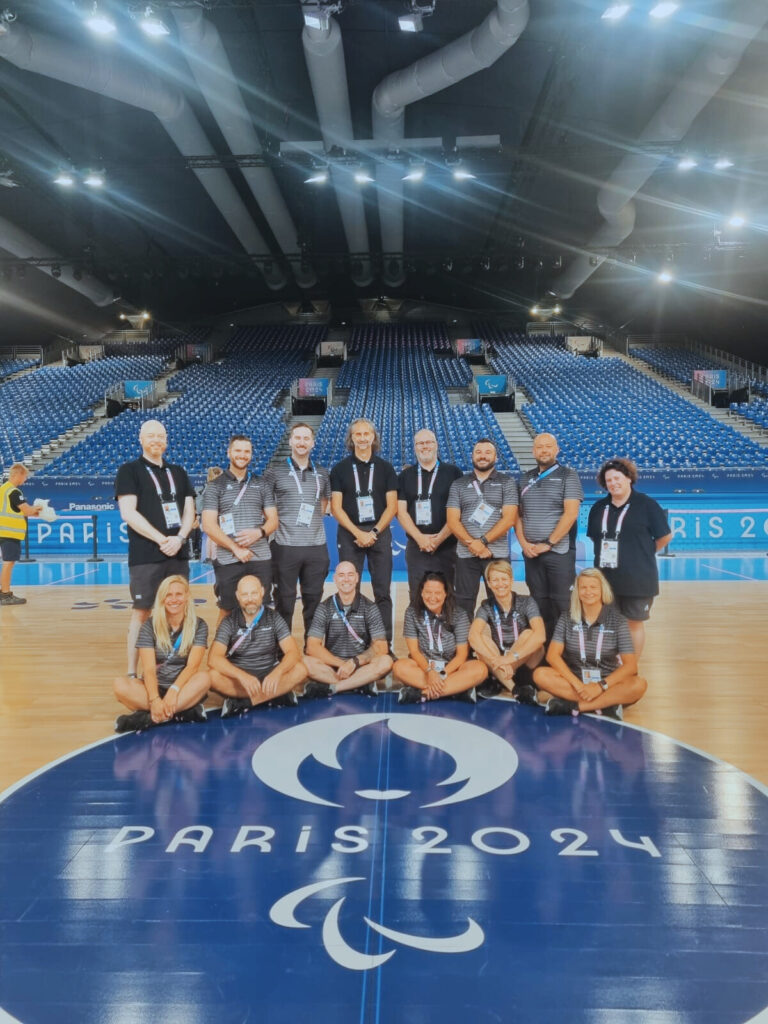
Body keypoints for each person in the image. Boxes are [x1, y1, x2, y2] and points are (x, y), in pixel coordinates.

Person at [115, 420, 196, 675]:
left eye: (161, 436)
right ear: (140, 439)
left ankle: (176, 667)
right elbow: (128, 513)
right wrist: (162, 539)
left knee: (179, 611)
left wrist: (180, 538)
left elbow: (189, 510)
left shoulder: (179, 472)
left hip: (178, 553)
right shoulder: (129, 471)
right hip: (146, 555)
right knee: (141, 612)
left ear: (166, 440)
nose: (156, 440)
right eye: (150, 436)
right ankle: (131, 671)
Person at [533, 568, 647, 718]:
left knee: (639, 685)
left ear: (602, 590)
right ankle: (605, 707)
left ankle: (575, 706)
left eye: (593, 587)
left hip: (607, 683)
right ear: (577, 592)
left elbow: (630, 666)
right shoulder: (567, 618)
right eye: (583, 587)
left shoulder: (618, 620)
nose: (588, 592)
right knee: (540, 675)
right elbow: (552, 656)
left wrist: (600, 686)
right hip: (576, 681)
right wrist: (578, 684)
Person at [587, 458, 671, 659]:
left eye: (617, 478)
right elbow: (593, 537)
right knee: (607, 624)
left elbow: (664, 536)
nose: (613, 483)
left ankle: (630, 666)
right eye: (608, 480)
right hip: (606, 579)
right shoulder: (598, 507)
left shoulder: (647, 505)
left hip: (639, 578)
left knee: (634, 623)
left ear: (628, 478)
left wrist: (643, 553)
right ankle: (610, 665)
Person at [113, 575, 211, 733]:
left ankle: (147, 718)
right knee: (120, 685)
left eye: (179, 594)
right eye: (168, 595)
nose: (174, 599)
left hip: (182, 687)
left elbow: (192, 667)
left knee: (205, 678)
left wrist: (174, 691)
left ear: (187, 596)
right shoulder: (148, 626)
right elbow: (149, 669)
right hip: (153, 687)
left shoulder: (199, 625)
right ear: (162, 598)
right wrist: (154, 698)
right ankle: (181, 712)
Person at [330, 418, 398, 642]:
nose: (362, 438)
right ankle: (354, 641)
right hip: (350, 534)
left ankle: (383, 642)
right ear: (351, 438)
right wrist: (358, 533)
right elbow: (336, 508)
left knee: (382, 592)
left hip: (379, 533)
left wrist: (374, 532)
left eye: (366, 434)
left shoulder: (386, 468)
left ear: (373, 437)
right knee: (350, 590)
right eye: (357, 435)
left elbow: (392, 506)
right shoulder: (339, 469)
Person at [263, 422, 331, 637]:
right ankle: (283, 651)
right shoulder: (274, 472)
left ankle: (311, 648)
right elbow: (265, 506)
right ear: (291, 441)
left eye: (306, 438)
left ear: (313, 442)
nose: (302, 442)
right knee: (285, 601)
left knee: (313, 601)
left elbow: (323, 506)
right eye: (298, 438)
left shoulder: (322, 473)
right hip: (285, 547)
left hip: (316, 547)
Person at [201, 436, 277, 626]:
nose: (242, 455)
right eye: (238, 451)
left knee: (262, 607)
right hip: (228, 558)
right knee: (227, 608)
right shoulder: (214, 486)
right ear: (229, 453)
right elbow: (209, 525)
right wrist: (236, 548)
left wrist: (259, 533)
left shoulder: (262, 484)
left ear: (251, 455)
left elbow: (273, 520)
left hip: (260, 557)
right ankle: (219, 652)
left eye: (246, 451)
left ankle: (262, 650)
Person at [208, 574, 307, 717]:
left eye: (254, 593)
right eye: (245, 594)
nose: (250, 599)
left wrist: (277, 673)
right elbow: (214, 659)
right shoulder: (229, 621)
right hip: (241, 679)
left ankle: (246, 702)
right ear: (237, 596)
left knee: (301, 669)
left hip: (269, 673)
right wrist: (242, 677)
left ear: (262, 592)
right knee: (212, 676)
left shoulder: (274, 617)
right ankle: (276, 695)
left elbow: (293, 652)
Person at [516, 433, 583, 638]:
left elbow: (571, 513)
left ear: (556, 450)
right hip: (531, 553)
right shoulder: (525, 478)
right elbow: (517, 515)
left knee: (562, 602)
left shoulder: (568, 476)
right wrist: (524, 543)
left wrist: (549, 542)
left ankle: (566, 649)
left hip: (559, 552)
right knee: (537, 601)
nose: (544, 451)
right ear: (533, 451)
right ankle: (543, 648)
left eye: (548, 447)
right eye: (539, 447)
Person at [446, 438, 518, 618]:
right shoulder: (458, 484)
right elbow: (453, 521)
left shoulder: (507, 483)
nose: (483, 456)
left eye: (488, 453)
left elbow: (509, 519)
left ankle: (501, 643)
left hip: (497, 555)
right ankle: (465, 646)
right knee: (463, 602)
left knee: (500, 601)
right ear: (472, 456)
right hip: (466, 554)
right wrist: (474, 544)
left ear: (495, 457)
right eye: (478, 452)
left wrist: (483, 541)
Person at [393, 572, 488, 704]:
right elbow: (414, 651)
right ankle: (457, 690)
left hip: (452, 669)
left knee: (480, 669)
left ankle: (422, 694)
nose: (432, 597)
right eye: (428, 592)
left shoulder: (459, 614)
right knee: (399, 667)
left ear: (446, 594)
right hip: (425, 667)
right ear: (421, 592)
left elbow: (461, 655)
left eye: (437, 593)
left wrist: (441, 674)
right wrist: (429, 671)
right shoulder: (412, 612)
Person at [303, 561, 392, 698]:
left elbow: (381, 647)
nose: (346, 579)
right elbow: (312, 647)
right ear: (335, 579)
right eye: (341, 575)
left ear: (357, 577)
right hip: (333, 667)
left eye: (350, 575)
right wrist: (343, 664)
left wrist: (354, 663)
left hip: (360, 666)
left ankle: (335, 686)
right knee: (304, 661)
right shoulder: (324, 607)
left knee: (386, 661)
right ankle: (359, 684)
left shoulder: (370, 607)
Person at [397, 428, 462, 605]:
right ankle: (418, 631)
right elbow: (400, 512)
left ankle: (447, 632)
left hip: (448, 545)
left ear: (436, 445)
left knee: (448, 594)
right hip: (417, 547)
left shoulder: (453, 473)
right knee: (417, 593)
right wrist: (420, 538)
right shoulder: (404, 476)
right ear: (415, 447)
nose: (425, 446)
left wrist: (438, 539)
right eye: (420, 443)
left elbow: (458, 511)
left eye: (428, 442)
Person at [468, 559, 546, 702]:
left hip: (521, 659)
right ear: (489, 584)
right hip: (498, 660)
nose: (500, 584)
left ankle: (500, 679)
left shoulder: (527, 601)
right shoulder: (486, 605)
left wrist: (510, 658)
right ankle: (515, 688)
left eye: (504, 579)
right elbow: (473, 636)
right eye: (495, 580)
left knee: (530, 635)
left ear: (511, 580)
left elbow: (540, 635)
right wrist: (496, 660)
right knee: (481, 639)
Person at [0, 463, 41, 606]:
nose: (25, 479)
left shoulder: (3, 489)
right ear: (18, 474)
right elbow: (27, 511)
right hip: (9, 532)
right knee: (8, 562)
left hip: (3, 531)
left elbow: (18, 511)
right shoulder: (14, 492)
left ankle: (4, 593)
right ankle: (5, 594)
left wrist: (34, 512)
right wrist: (40, 508)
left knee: (7, 562)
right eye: (25, 476)